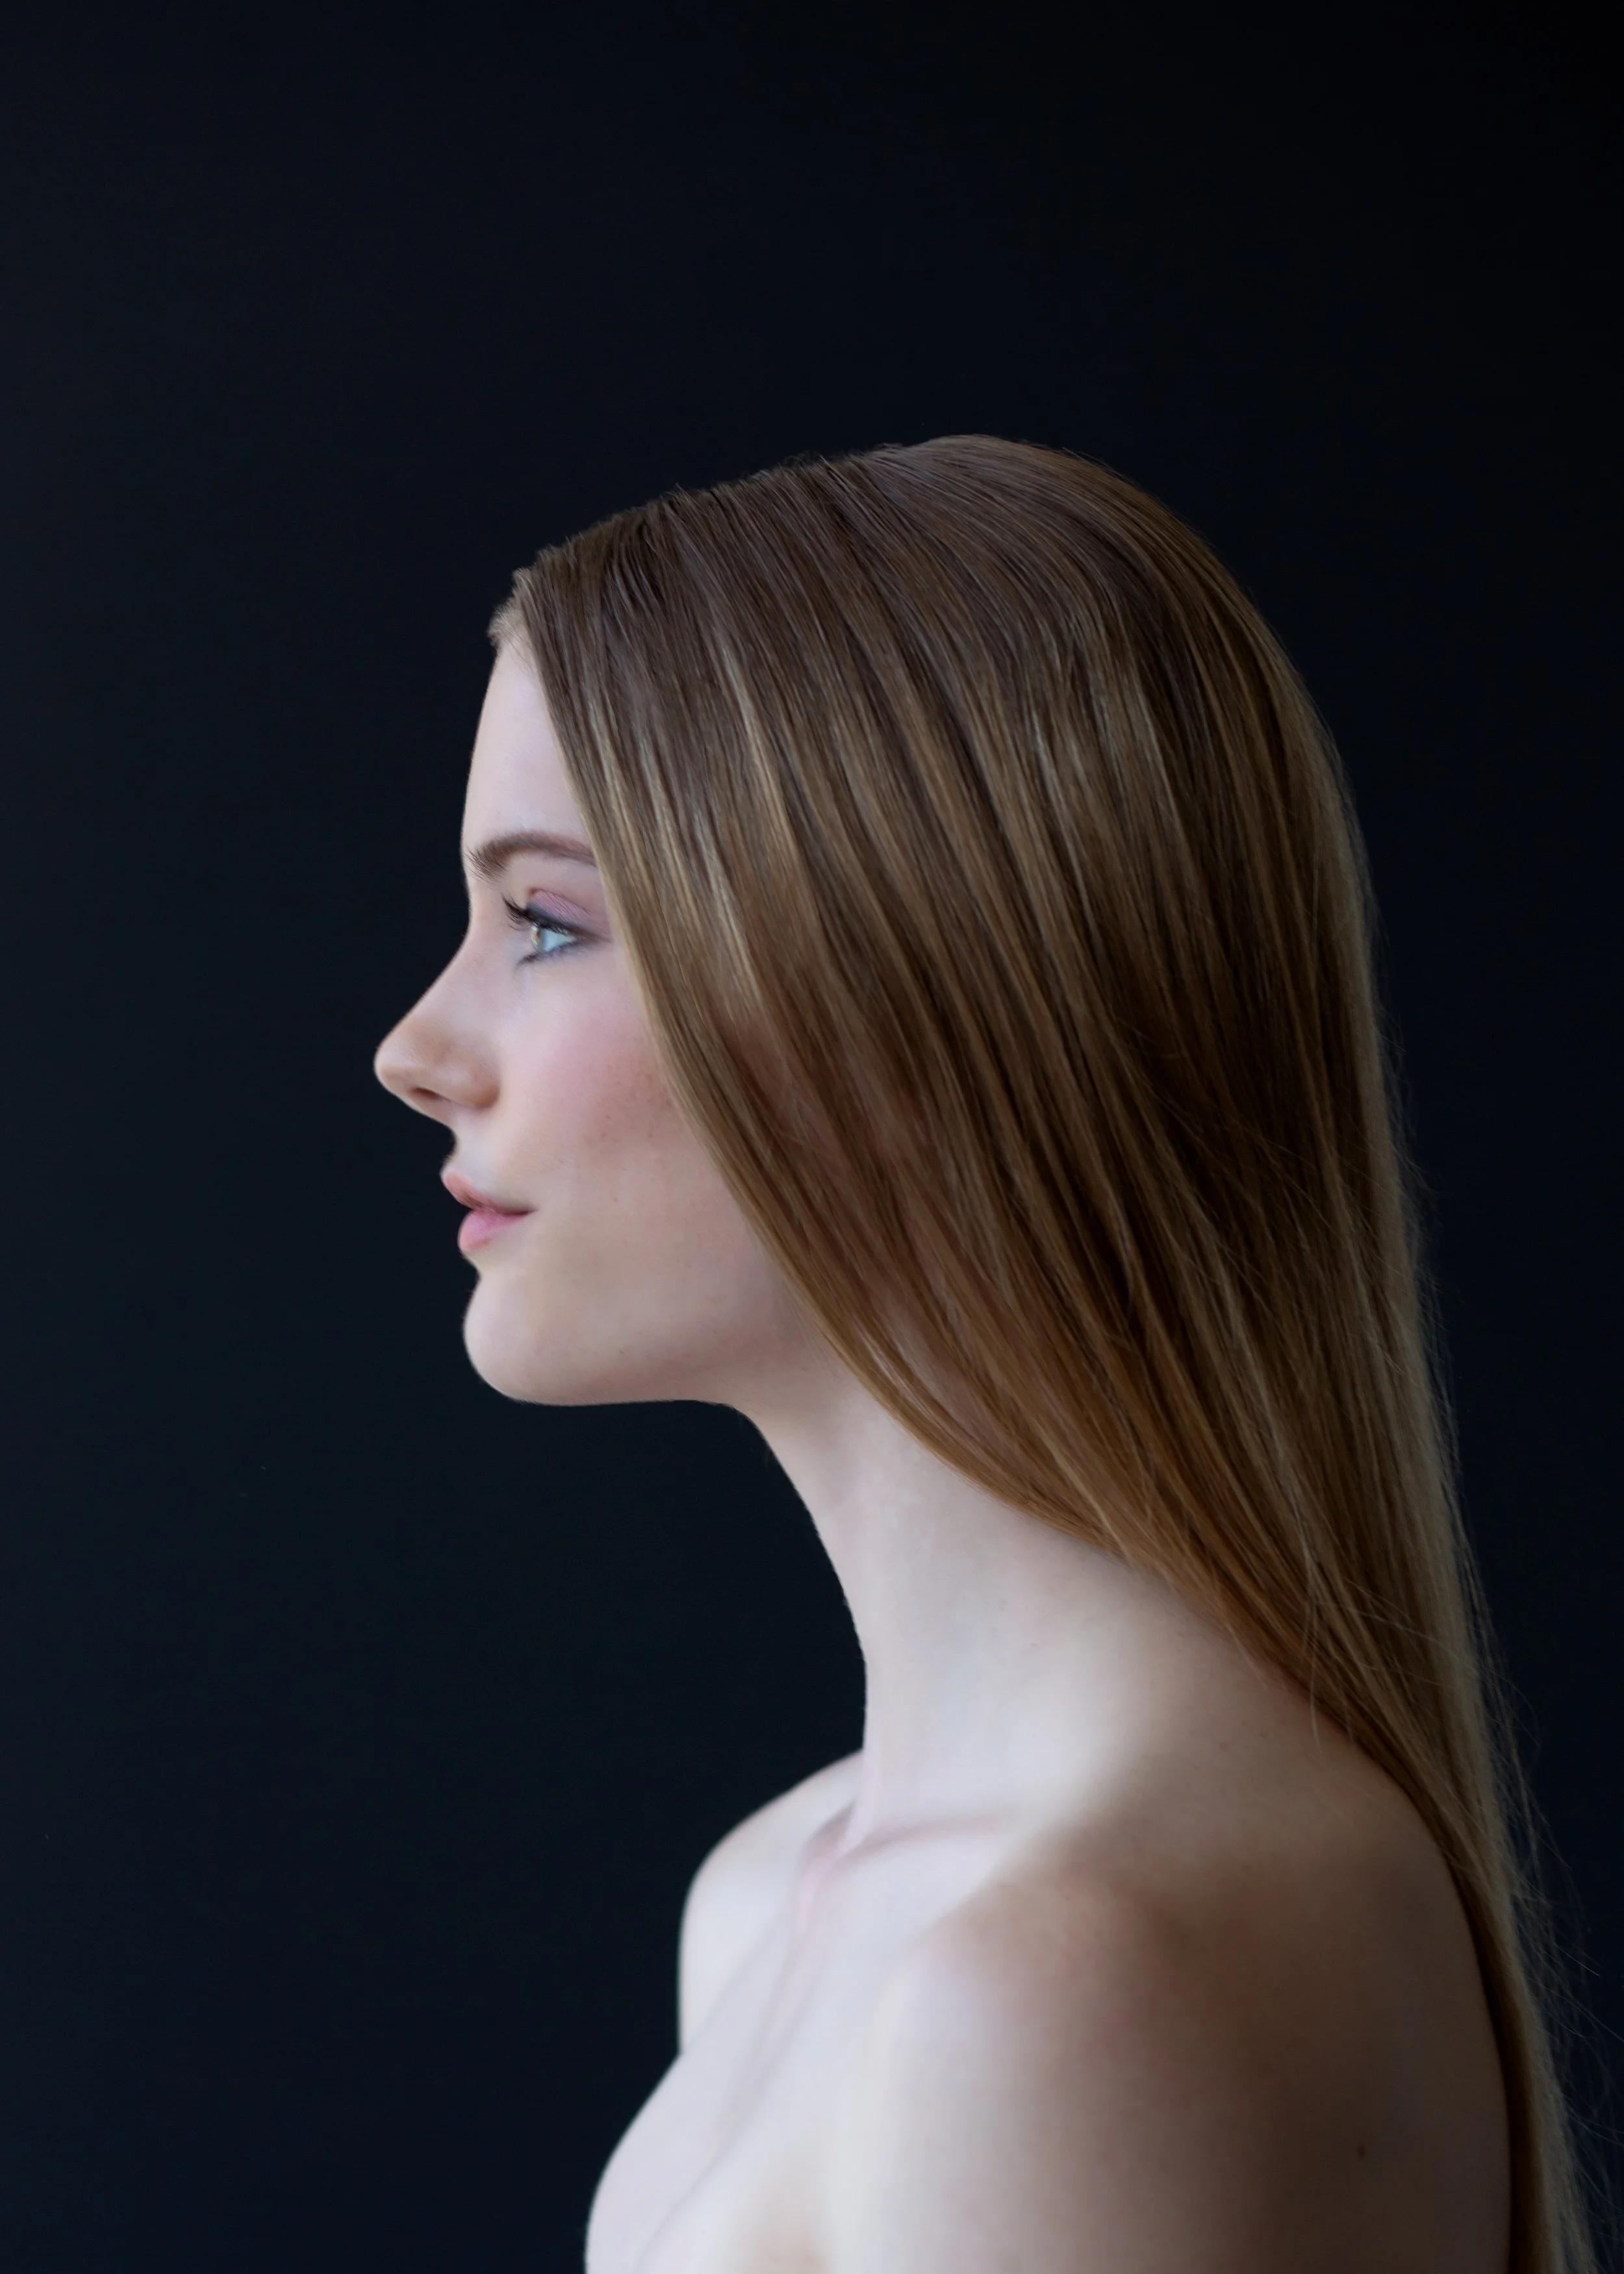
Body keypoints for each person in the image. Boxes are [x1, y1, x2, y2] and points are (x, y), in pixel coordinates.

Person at [374, 437, 1592, 2271]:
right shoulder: (784, 1899)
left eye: (545, 920)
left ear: (917, 990)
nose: (415, 1047)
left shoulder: (1059, 1982)